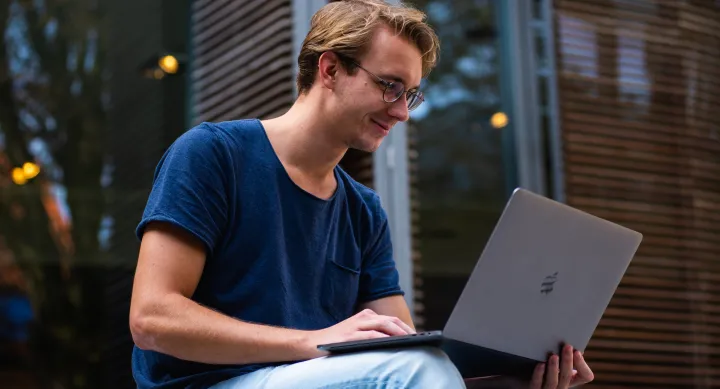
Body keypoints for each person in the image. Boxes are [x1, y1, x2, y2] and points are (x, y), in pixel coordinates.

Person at [128, 1, 595, 388]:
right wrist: (315, 341)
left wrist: (512, 380)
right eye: (390, 86)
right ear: (330, 68)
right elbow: (152, 320)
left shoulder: (363, 210)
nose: (401, 113)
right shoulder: (213, 154)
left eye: (410, 95)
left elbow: (404, 355)